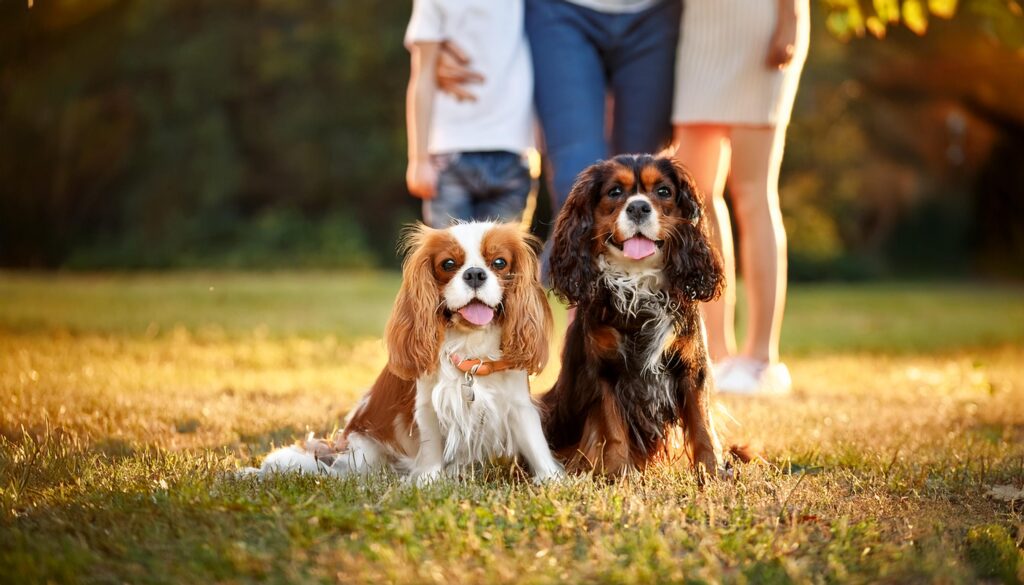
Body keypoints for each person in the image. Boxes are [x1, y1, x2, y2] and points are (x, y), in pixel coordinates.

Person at [435, 0, 682, 266]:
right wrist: (435, 28)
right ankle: (582, 305)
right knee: (576, 185)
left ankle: (645, 305)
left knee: (649, 191)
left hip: (657, 14)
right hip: (560, 12)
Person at [671, 0, 810, 394]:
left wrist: (791, 18)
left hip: (760, 25)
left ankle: (762, 358)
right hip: (698, 32)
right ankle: (716, 353)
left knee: (752, 192)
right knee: (696, 198)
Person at [404, 0, 535, 228]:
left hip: (513, 152)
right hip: (450, 155)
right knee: (449, 256)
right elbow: (421, 77)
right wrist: (418, 159)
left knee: (502, 259)